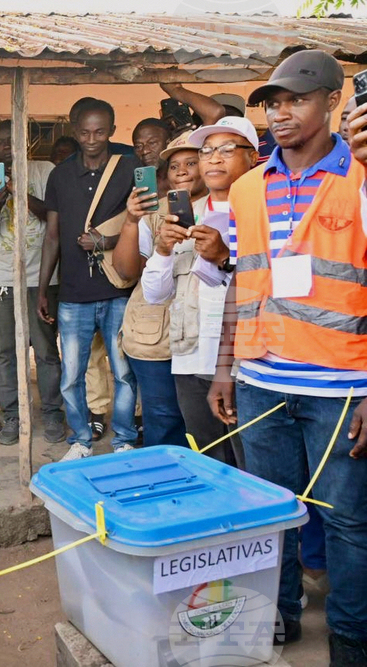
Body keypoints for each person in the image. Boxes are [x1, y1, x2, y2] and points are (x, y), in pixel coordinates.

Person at [209, 50, 367, 665]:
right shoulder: (248, 187)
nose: (280, 113)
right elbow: (241, 281)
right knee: (271, 515)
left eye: (296, 99)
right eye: (273, 103)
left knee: (349, 521)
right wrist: (225, 367)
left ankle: (351, 638)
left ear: (333, 100)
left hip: (341, 387)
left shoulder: (359, 176)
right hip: (259, 380)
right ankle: (279, 618)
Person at [142, 117, 256, 467]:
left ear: (252, 158)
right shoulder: (186, 215)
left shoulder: (263, 212)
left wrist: (224, 257)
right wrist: (163, 250)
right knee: (206, 460)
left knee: (251, 465)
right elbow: (155, 295)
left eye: (227, 149)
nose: (214, 159)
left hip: (247, 364)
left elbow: (272, 289)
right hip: (190, 356)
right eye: (206, 151)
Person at [39, 99, 140, 461]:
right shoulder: (60, 175)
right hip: (73, 292)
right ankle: (80, 440)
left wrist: (107, 242)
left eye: (99, 132)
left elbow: (147, 225)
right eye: (84, 132)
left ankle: (124, 437)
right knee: (72, 375)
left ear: (112, 130)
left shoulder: (131, 168)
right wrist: (43, 289)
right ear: (74, 130)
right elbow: (52, 236)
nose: (92, 139)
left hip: (118, 289)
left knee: (124, 372)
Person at [0, 121, 65, 445]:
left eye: (13, 141)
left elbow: (54, 218)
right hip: (0, 279)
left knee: (46, 351)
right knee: (5, 353)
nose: (7, 148)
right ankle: (12, 416)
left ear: (25, 142)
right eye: (1, 142)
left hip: (42, 277)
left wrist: (17, 191)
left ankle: (52, 413)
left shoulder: (47, 171)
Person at [113, 134, 204, 449]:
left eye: (191, 162)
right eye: (175, 166)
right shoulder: (154, 212)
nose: (182, 171)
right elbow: (126, 272)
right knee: (163, 419)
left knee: (205, 423)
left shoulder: (227, 205)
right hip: (154, 334)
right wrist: (131, 220)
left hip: (205, 336)